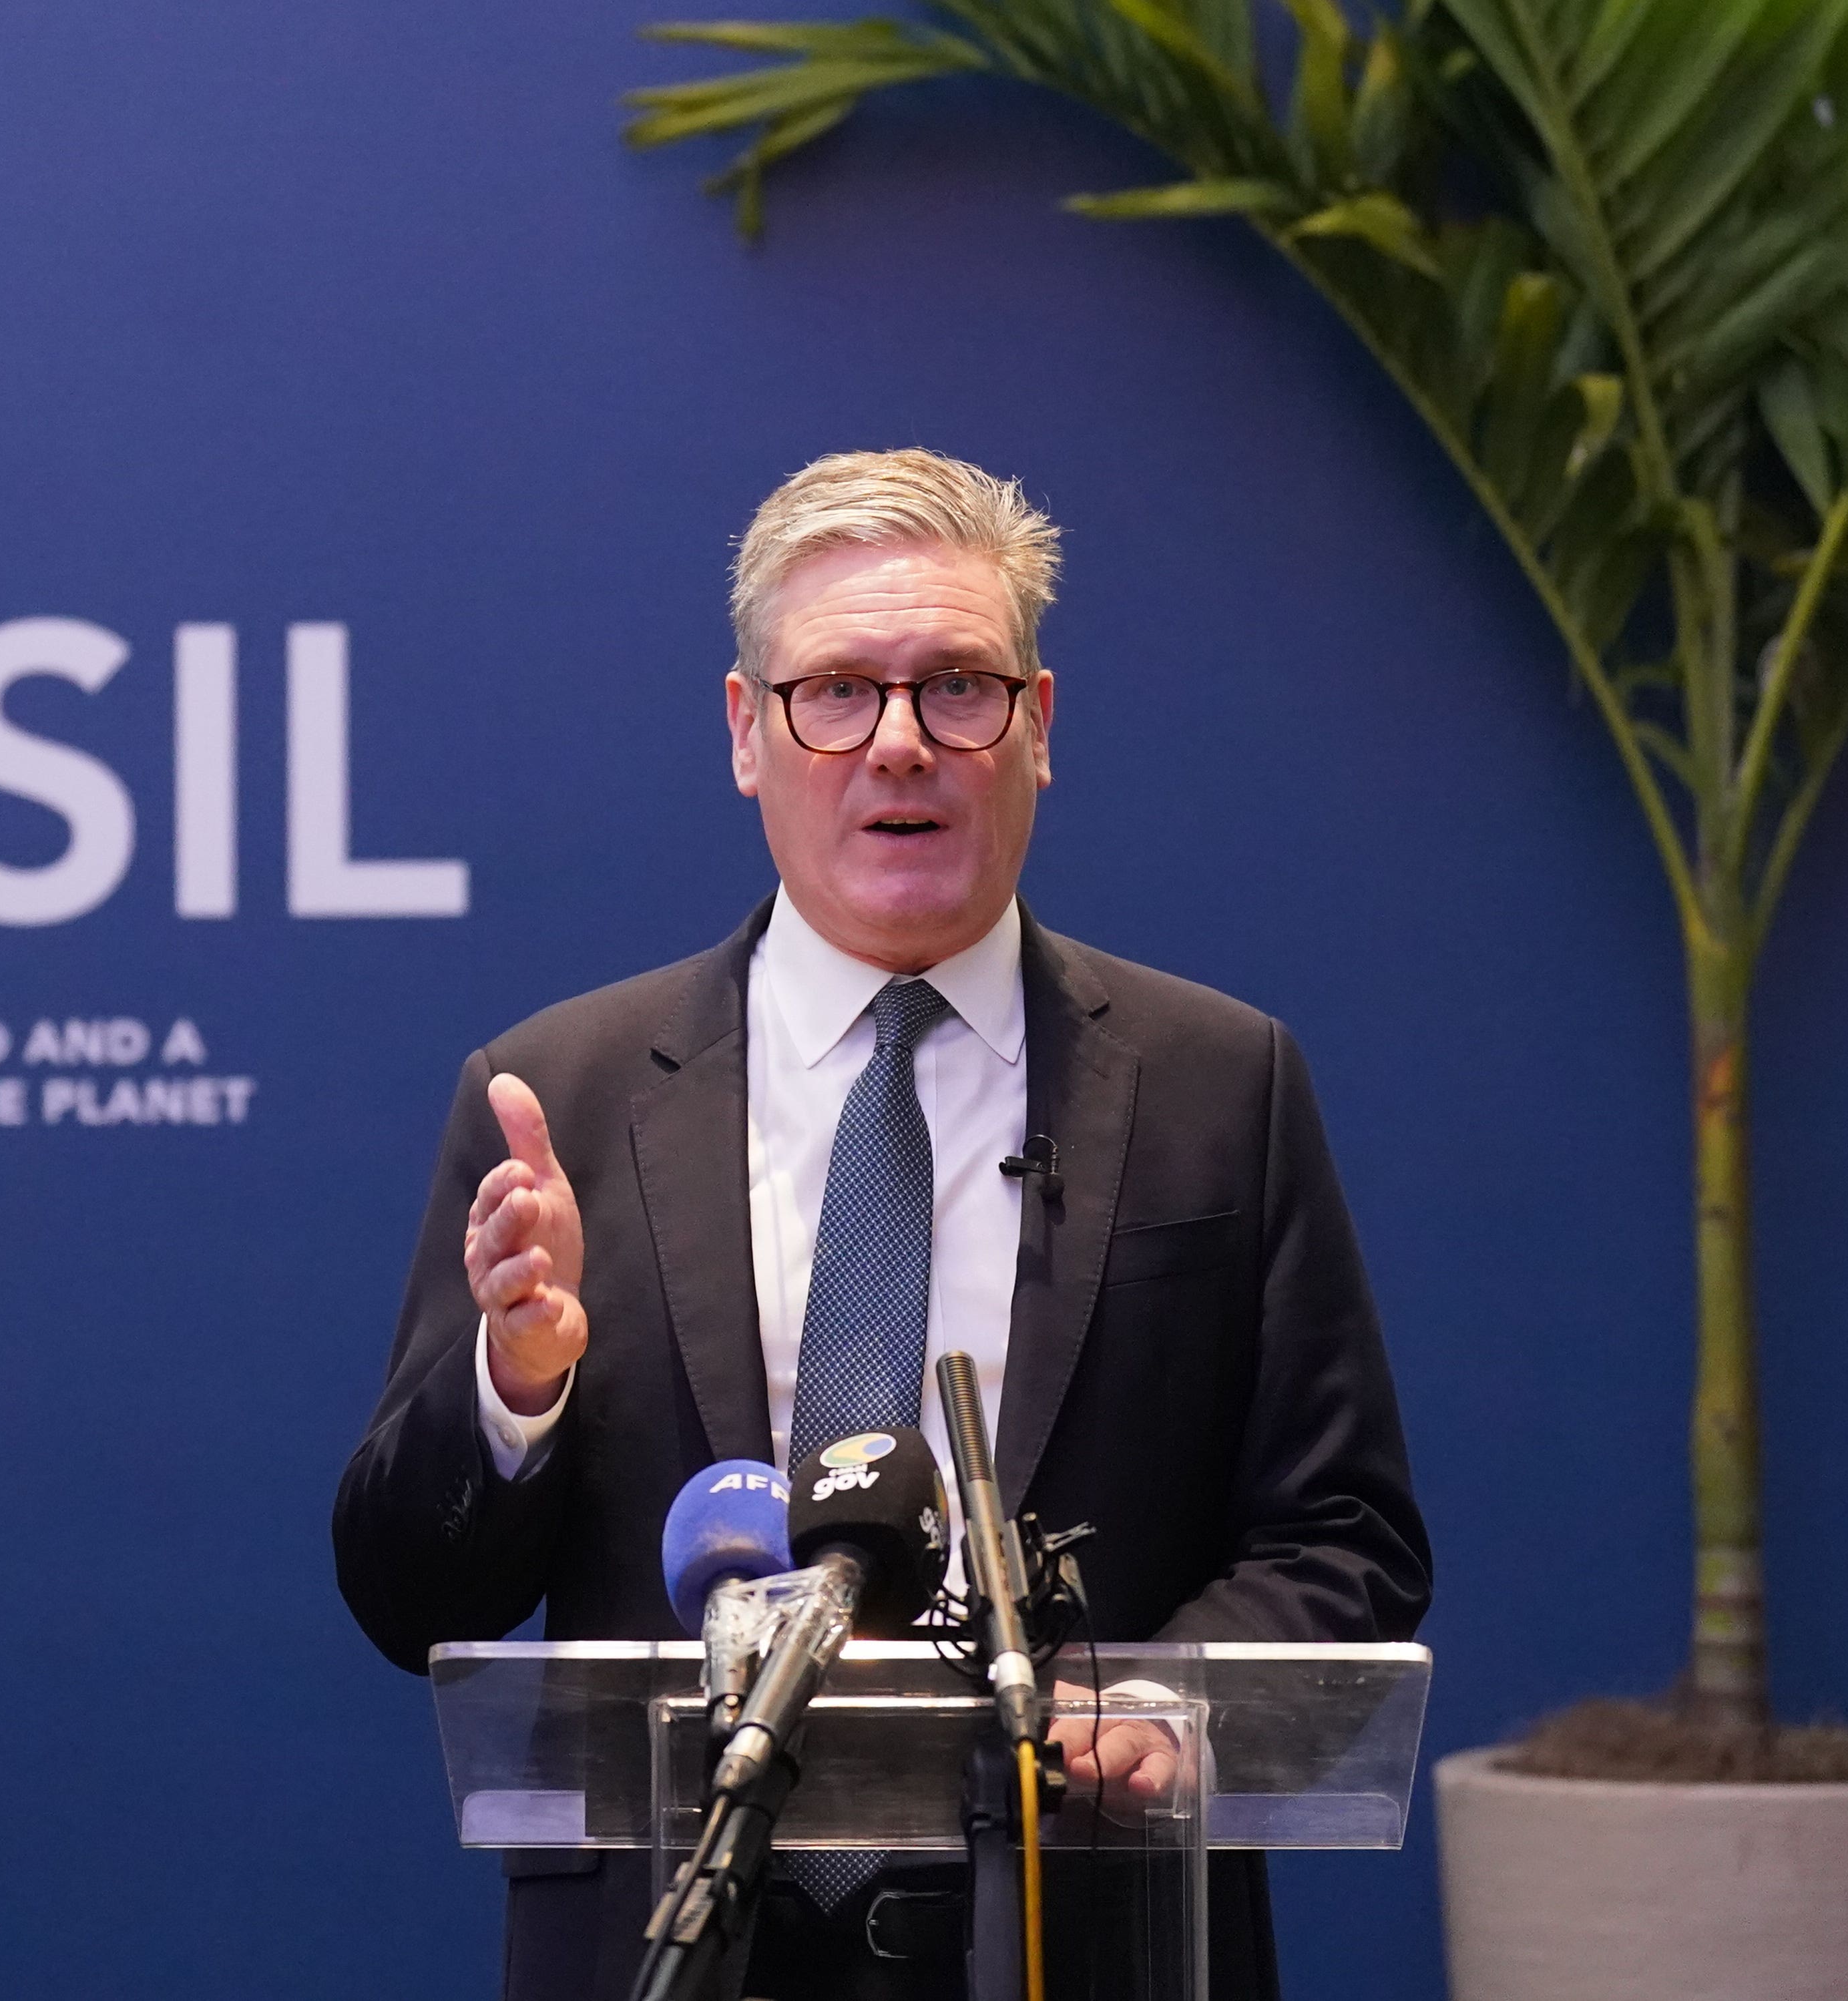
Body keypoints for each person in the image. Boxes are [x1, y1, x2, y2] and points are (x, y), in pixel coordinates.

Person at [332, 449, 1430, 2001]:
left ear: (1038, 727)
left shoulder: (1216, 1083)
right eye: (835, 691)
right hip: (675, 1942)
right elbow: (405, 1593)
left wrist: (1159, 1702)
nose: (898, 744)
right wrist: (515, 1392)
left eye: (957, 689)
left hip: (1087, 1930)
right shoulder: (558, 1098)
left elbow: (1345, 1540)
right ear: (744, 731)